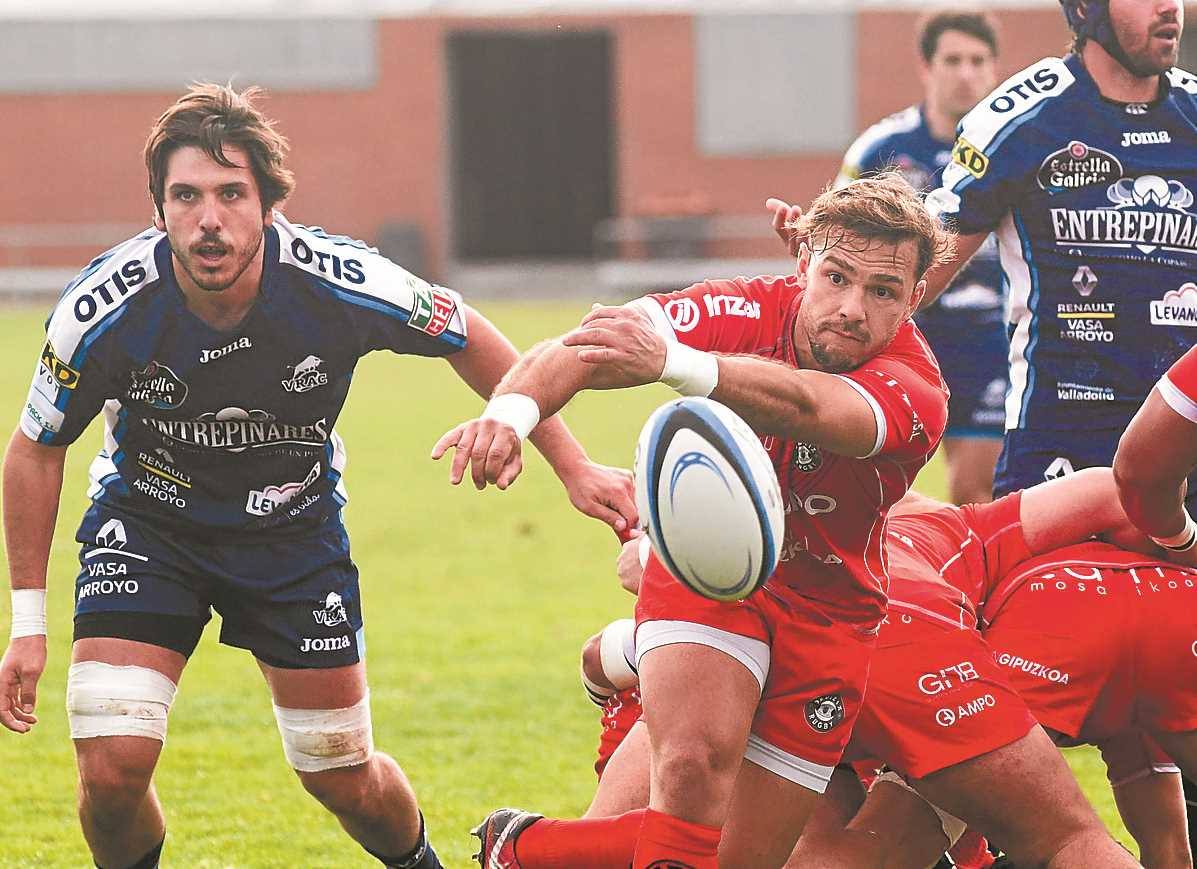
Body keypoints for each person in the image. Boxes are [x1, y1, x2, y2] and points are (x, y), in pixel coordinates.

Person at [0, 83, 634, 869]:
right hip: (148, 527)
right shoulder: (104, 308)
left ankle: (418, 863)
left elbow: (465, 330)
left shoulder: (338, 280)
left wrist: (569, 463)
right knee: (112, 763)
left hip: (291, 535)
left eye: (232, 194)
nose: (209, 219)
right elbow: (35, 446)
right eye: (185, 196)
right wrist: (28, 622)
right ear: (156, 208)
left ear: (268, 203)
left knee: (340, 773)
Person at [437, 172, 954, 868]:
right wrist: (508, 414)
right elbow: (596, 341)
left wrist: (677, 363)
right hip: (714, 578)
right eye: (835, 277)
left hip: (830, 617)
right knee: (688, 774)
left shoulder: (917, 389)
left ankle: (524, 847)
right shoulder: (746, 307)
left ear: (914, 299)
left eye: (881, 291)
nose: (852, 307)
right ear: (804, 263)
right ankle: (620, 669)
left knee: (735, 858)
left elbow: (809, 407)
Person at [582, 470, 1158, 869]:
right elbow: (1115, 489)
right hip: (897, 646)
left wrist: (622, 652)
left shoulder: (780, 539)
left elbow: (605, 646)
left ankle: (530, 844)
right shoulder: (972, 541)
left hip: (758, 653)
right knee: (1063, 837)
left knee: (657, 836)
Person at [836, 10, 1007, 505]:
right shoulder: (882, 150)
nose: (966, 73)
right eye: (952, 60)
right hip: (901, 337)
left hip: (991, 340)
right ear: (926, 67)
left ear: (994, 68)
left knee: (978, 494)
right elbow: (835, 238)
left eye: (978, 60)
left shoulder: (1016, 147)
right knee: (865, 490)